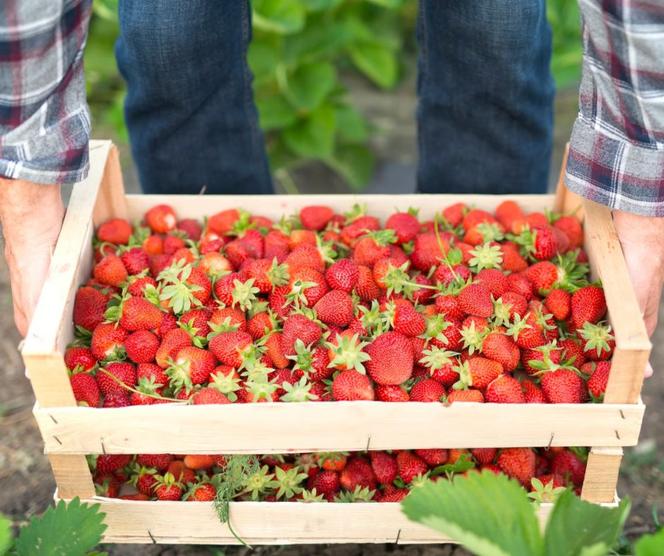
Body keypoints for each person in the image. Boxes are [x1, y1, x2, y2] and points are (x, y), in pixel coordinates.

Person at [0, 0, 663, 375]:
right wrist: (27, 193)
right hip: (260, 332)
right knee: (172, 35)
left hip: (434, 335)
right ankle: (217, 282)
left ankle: (480, 323)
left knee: (491, 30)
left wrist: (644, 178)